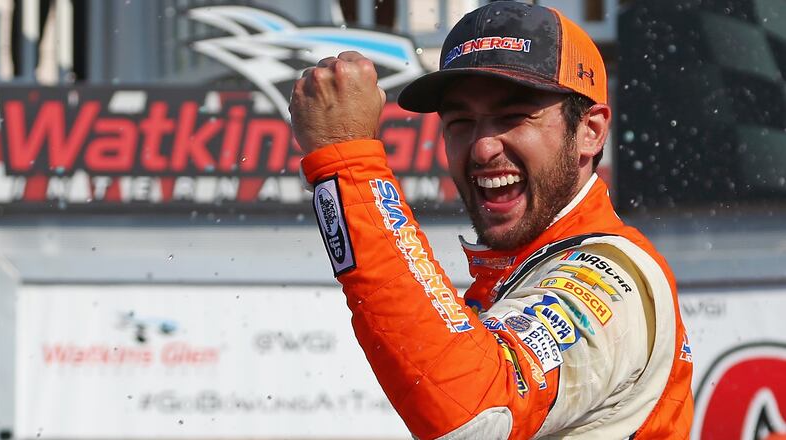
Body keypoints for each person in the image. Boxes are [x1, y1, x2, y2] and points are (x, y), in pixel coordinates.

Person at [289, 2, 693, 439]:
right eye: (461, 121)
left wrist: (347, 161)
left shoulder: (612, 277)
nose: (482, 148)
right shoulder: (519, 271)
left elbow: (478, 414)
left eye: (513, 116)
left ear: (590, 131)